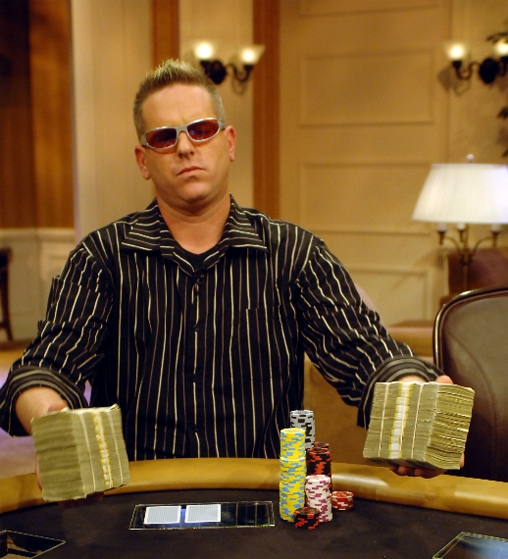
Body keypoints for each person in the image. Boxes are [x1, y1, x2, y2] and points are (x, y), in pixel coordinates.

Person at [0, 59, 451, 479]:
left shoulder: (295, 253)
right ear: (143, 161)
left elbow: (367, 355)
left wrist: (414, 400)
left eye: (200, 130)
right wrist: (52, 420)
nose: (184, 147)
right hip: (135, 496)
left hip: (266, 494)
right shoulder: (101, 258)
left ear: (229, 142)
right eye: (164, 137)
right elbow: (44, 369)